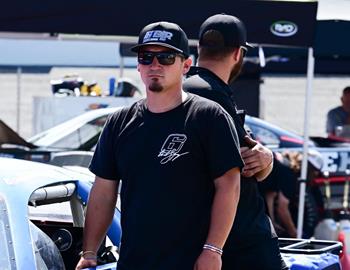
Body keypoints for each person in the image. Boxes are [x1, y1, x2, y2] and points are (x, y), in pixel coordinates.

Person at [75, 21, 244, 270]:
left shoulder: (209, 117)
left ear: (186, 65)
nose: (155, 65)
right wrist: (89, 251)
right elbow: (103, 192)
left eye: (166, 57)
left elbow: (229, 185)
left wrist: (213, 249)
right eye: (146, 57)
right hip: (134, 262)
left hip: (192, 262)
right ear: (138, 65)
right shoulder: (119, 122)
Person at [183, 14, 287, 269]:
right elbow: (247, 168)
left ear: (199, 49)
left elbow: (253, 160)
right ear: (238, 54)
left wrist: (265, 157)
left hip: (211, 242)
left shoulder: (191, 88)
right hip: (237, 244)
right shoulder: (209, 94)